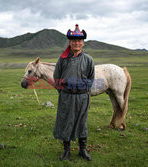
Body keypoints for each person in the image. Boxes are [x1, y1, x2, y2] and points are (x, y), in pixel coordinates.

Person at [53, 24, 95, 161]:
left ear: (83, 43)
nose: (76, 43)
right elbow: (56, 77)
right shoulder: (63, 59)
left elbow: (91, 79)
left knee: (82, 122)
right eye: (73, 41)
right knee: (66, 121)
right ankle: (66, 151)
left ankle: (83, 150)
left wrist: (81, 89)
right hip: (66, 97)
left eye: (79, 41)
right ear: (70, 43)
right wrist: (63, 91)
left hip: (82, 97)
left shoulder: (89, 60)